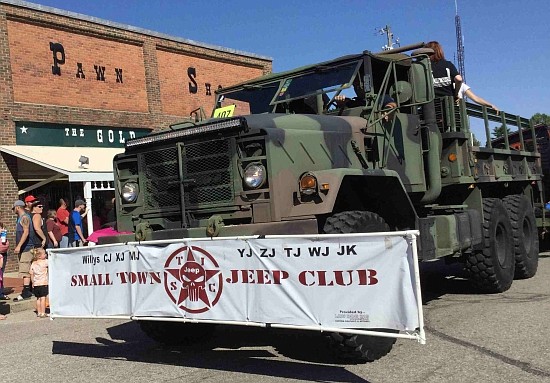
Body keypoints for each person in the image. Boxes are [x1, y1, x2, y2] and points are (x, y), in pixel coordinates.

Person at [12, 200, 35, 301]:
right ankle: (28, 290)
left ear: (17, 207)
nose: (13, 210)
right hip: (25, 248)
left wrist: (19, 246)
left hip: (26, 248)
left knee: (24, 269)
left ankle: (26, 292)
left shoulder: (24, 217)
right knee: (27, 269)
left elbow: (26, 233)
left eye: (13, 208)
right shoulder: (21, 218)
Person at [29, 247, 48, 318]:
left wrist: (33, 282)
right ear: (40, 256)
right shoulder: (45, 262)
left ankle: (39, 312)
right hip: (43, 283)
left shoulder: (33, 263)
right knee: (43, 298)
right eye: (44, 254)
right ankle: (43, 312)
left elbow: (31, 273)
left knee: (38, 298)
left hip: (36, 283)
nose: (45, 254)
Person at [0, 222, 9, 301]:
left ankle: (1, 292)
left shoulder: (3, 235)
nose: (2, 229)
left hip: (3, 254)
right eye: (1, 228)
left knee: (1, 273)